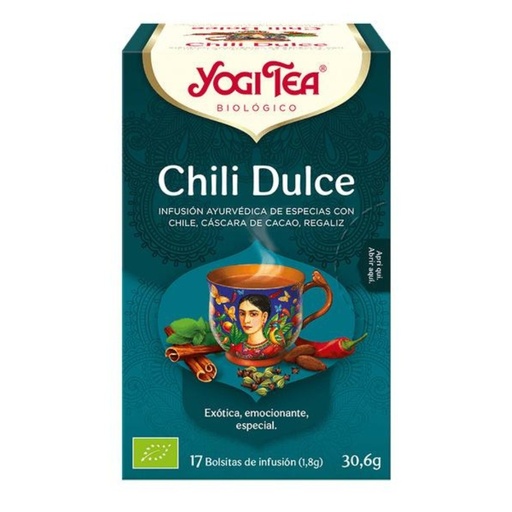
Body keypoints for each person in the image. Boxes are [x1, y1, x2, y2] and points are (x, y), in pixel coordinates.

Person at [229, 294, 281, 361]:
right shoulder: (235, 349)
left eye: (253, 314)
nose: (246, 320)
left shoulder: (275, 349)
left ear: (264, 317)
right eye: (242, 314)